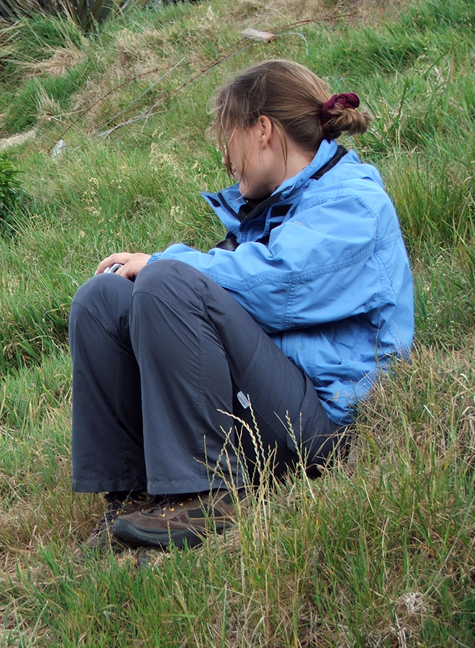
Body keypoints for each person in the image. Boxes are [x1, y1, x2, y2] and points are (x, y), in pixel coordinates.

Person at [69, 59, 414, 551]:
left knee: (166, 280)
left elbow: (279, 285)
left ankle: (206, 494)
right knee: (103, 298)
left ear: (263, 131)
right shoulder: (277, 205)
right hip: (272, 403)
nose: (227, 161)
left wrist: (164, 263)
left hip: (321, 426)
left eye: (227, 140)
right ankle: (136, 494)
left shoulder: (354, 203)